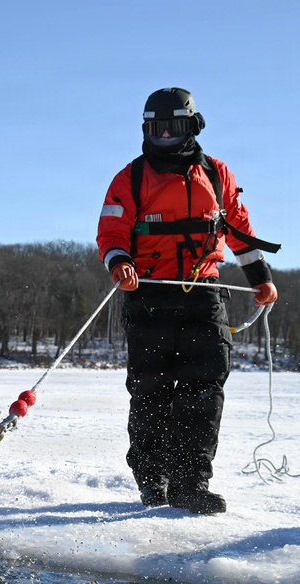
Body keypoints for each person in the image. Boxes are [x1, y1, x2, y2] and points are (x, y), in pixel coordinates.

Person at [97, 87, 279, 515]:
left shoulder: (216, 174)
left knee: (204, 387)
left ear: (191, 127)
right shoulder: (131, 177)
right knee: (151, 391)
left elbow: (239, 229)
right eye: (155, 128)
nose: (163, 136)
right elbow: (111, 233)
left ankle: (190, 482)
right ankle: (153, 480)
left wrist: (260, 278)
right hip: (149, 296)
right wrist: (119, 262)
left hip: (205, 294)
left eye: (172, 127)